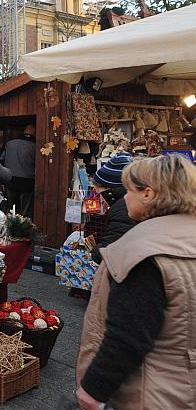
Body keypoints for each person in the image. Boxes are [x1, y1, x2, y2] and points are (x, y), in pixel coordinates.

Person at [75, 153, 196, 410]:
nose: (124, 196)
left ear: (148, 194)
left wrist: (93, 389)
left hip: (151, 390)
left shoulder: (144, 250)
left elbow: (128, 335)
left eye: (129, 190)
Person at [89, 153, 137, 264]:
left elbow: (109, 252)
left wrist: (95, 250)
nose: (100, 199)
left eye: (99, 193)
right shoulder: (130, 203)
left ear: (109, 190)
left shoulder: (122, 208)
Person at [2, 124, 36, 218]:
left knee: (11, 208)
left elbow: (1, 158)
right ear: (35, 132)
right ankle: (23, 229)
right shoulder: (35, 146)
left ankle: (10, 228)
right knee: (25, 211)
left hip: (10, 180)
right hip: (27, 182)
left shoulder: (9, 143)